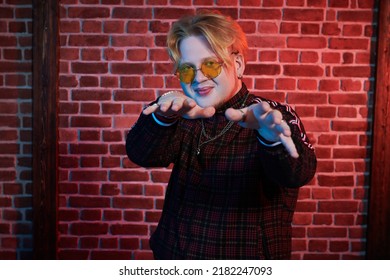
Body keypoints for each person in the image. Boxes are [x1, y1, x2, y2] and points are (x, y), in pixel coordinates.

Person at [126, 10, 317, 260]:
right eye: (186, 70)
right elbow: (141, 154)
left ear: (237, 64)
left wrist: (271, 139)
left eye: (210, 64)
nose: (198, 78)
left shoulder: (269, 115)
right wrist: (162, 117)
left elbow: (297, 173)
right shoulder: (181, 112)